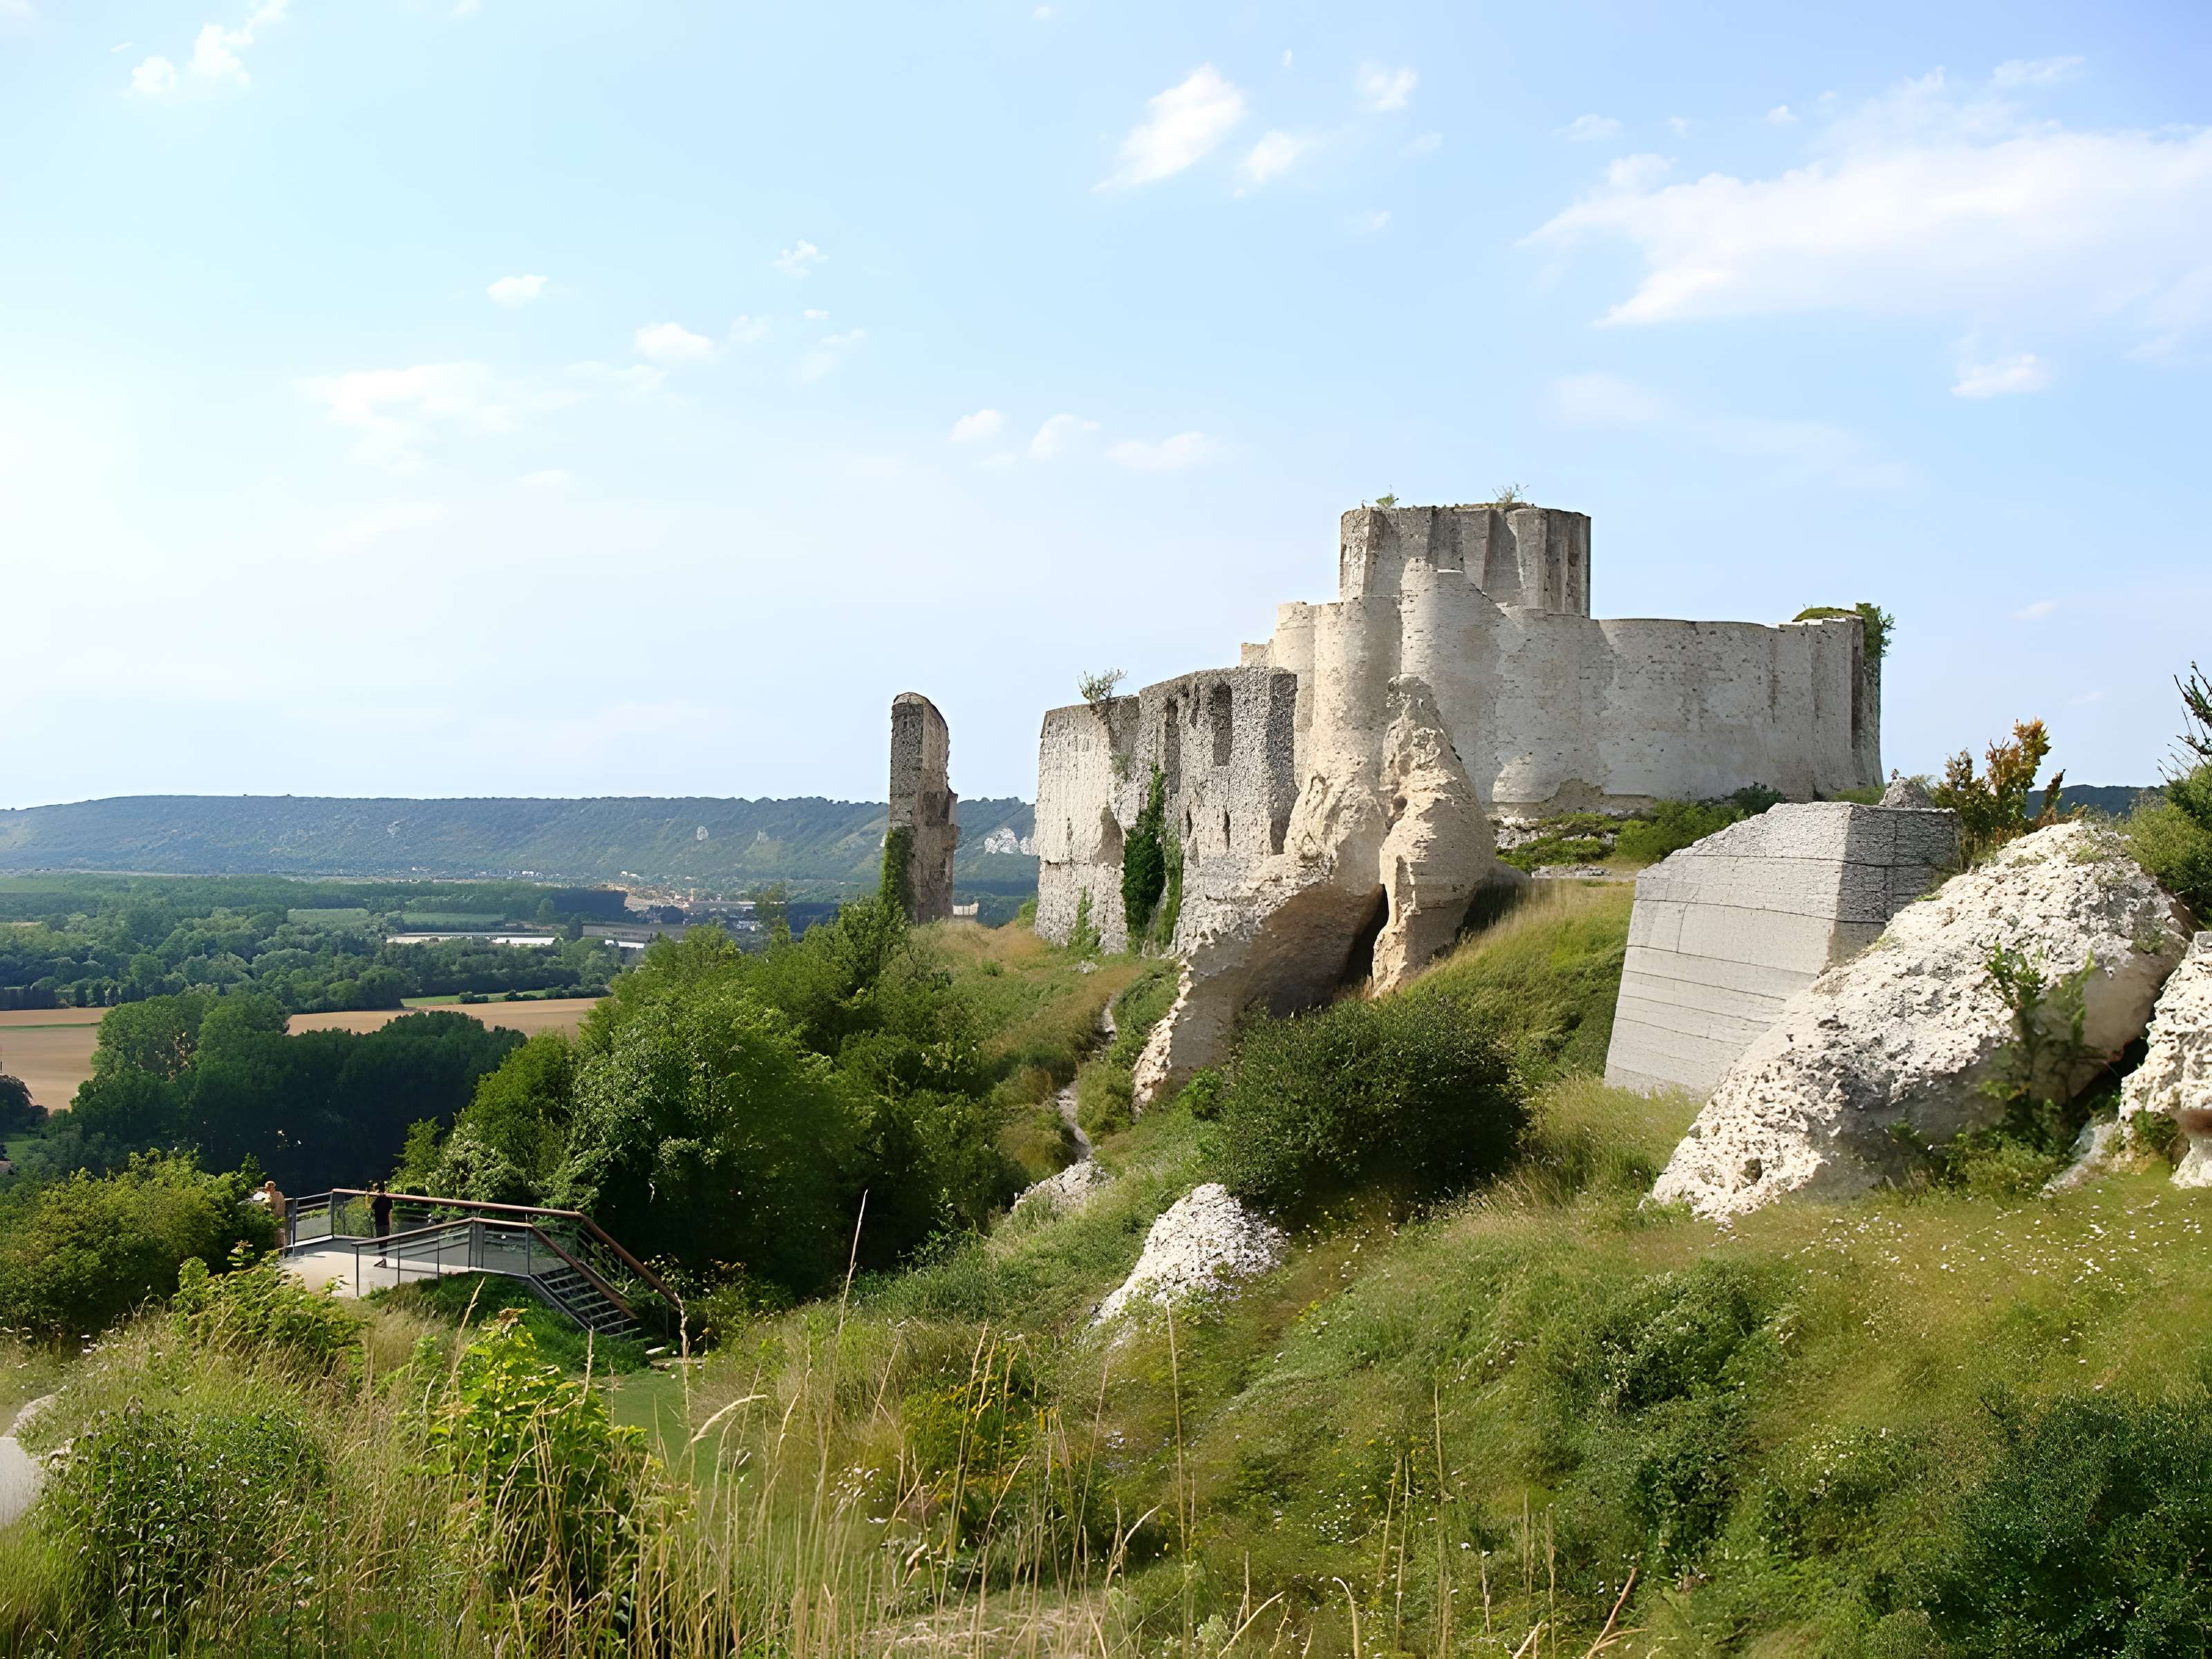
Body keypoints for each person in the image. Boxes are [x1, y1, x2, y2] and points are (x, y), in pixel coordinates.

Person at [370, 1180, 393, 1268]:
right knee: (385, 1243)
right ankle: (384, 1260)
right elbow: (391, 1206)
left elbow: (372, 1206)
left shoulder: (379, 1199)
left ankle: (384, 1261)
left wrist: (378, 1197)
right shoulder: (388, 1198)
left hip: (380, 1224)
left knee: (381, 1243)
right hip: (386, 1224)